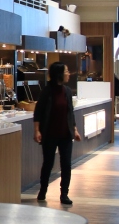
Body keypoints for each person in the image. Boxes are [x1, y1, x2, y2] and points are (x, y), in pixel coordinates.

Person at [33, 61, 82, 205]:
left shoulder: (67, 91)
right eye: (66, 71)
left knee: (66, 164)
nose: (68, 74)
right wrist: (37, 130)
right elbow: (38, 112)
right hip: (50, 134)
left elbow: (70, 112)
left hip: (66, 134)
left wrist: (75, 130)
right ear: (59, 74)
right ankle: (43, 190)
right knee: (48, 163)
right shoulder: (47, 91)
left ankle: (64, 194)